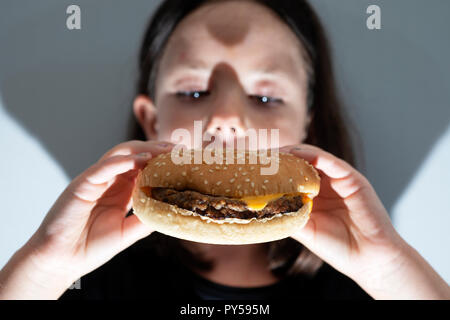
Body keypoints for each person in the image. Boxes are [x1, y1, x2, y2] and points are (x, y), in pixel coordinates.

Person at [0, 0, 448, 300]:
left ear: (306, 127)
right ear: (152, 120)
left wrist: (390, 271)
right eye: (194, 92)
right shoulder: (91, 276)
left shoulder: (361, 283)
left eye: (266, 98)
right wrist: (43, 268)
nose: (226, 118)